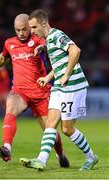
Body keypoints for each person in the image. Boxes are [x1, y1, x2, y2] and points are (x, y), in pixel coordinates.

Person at [20, 9, 98, 171]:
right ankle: (41, 160)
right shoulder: (49, 40)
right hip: (59, 87)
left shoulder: (56, 35)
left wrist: (66, 75)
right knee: (51, 122)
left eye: (34, 28)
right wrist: (48, 78)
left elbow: (75, 51)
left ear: (44, 24)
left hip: (73, 86)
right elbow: (60, 63)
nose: (32, 32)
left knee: (67, 129)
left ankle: (91, 157)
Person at [0, 13, 70, 167]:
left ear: (30, 27)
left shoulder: (37, 38)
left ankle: (60, 154)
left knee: (50, 130)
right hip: (20, 91)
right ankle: (6, 149)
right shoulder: (9, 43)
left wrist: (43, 47)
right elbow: (3, 56)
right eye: (18, 30)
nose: (21, 33)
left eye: (25, 29)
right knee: (10, 107)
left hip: (41, 92)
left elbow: (48, 44)